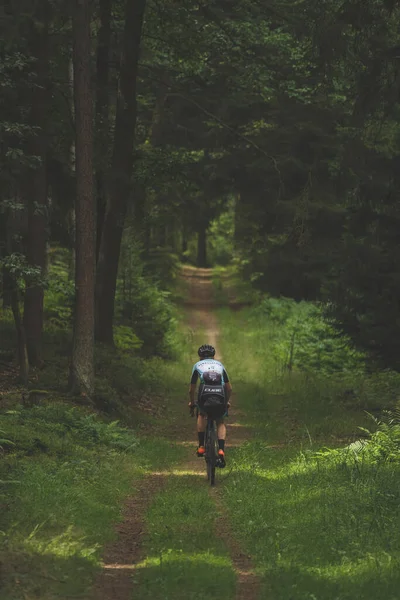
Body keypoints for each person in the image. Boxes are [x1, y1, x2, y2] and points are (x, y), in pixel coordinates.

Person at [188, 344, 232, 467]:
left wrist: (192, 403)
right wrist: (226, 402)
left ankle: (201, 446)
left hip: (204, 394)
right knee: (220, 421)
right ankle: (221, 449)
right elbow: (229, 388)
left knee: (201, 414)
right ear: (213, 356)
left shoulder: (197, 365)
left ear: (200, 356)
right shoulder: (220, 365)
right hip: (220, 394)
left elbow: (191, 390)